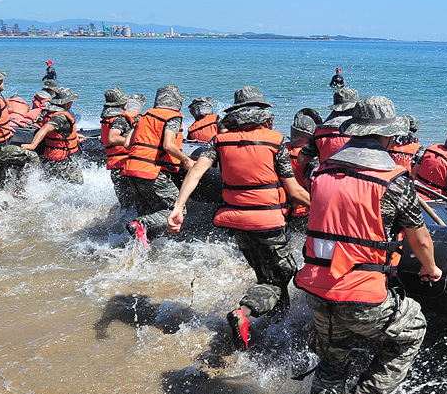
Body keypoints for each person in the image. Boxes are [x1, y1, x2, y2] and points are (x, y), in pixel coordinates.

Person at [290, 96, 443, 394]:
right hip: (362, 294)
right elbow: (420, 239)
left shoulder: (320, 173)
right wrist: (432, 269)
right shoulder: (394, 181)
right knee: (413, 328)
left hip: (316, 287)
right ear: (389, 138)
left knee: (332, 361)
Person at [168, 87, 311, 349]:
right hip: (268, 223)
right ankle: (245, 313)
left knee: (263, 274)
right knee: (282, 275)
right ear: (262, 115)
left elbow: (196, 172)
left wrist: (178, 207)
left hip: (235, 222)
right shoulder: (275, 141)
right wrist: (322, 212)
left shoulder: (219, 141)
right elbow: (294, 191)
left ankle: (274, 323)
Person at [122, 85, 194, 247]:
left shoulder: (144, 116)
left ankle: (141, 249)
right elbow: (168, 145)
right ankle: (142, 225)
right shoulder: (172, 117)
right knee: (178, 210)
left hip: (132, 170)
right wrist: (186, 160)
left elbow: (127, 143)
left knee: (147, 213)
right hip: (152, 172)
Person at [22, 87, 84, 184]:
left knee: (52, 183)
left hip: (50, 158)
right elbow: (46, 128)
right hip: (63, 160)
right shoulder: (60, 116)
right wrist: (33, 145)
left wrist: (74, 136)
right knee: (78, 184)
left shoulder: (48, 112)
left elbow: (55, 132)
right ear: (66, 102)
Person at [298, 87, 359, 167]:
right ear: (355, 107)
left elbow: (301, 159)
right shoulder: (359, 130)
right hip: (354, 176)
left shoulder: (320, 131)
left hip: (326, 176)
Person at [100, 87, 138, 208]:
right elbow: (113, 138)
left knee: (126, 204)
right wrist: (133, 144)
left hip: (115, 166)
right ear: (121, 104)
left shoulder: (107, 118)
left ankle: (121, 225)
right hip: (125, 165)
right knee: (135, 203)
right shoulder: (120, 119)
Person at [286, 107, 323, 219]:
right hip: (304, 210)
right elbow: (311, 187)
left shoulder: (280, 150)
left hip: (284, 208)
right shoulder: (310, 158)